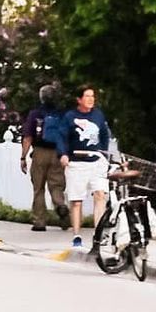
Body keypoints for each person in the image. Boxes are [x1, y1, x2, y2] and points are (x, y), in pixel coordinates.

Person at [54, 85, 112, 250]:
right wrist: (63, 154)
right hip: (77, 163)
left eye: (92, 96)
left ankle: (99, 234)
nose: (91, 99)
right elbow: (61, 136)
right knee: (76, 201)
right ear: (79, 99)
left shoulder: (98, 115)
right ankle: (77, 235)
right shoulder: (70, 117)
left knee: (100, 195)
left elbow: (104, 136)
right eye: (87, 96)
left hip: (96, 162)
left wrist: (105, 154)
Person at [20, 83, 67, 232]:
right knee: (57, 185)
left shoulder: (35, 114)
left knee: (38, 188)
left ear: (41, 98)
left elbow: (28, 138)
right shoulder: (61, 114)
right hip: (57, 153)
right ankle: (61, 206)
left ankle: (39, 222)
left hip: (39, 153)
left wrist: (23, 157)